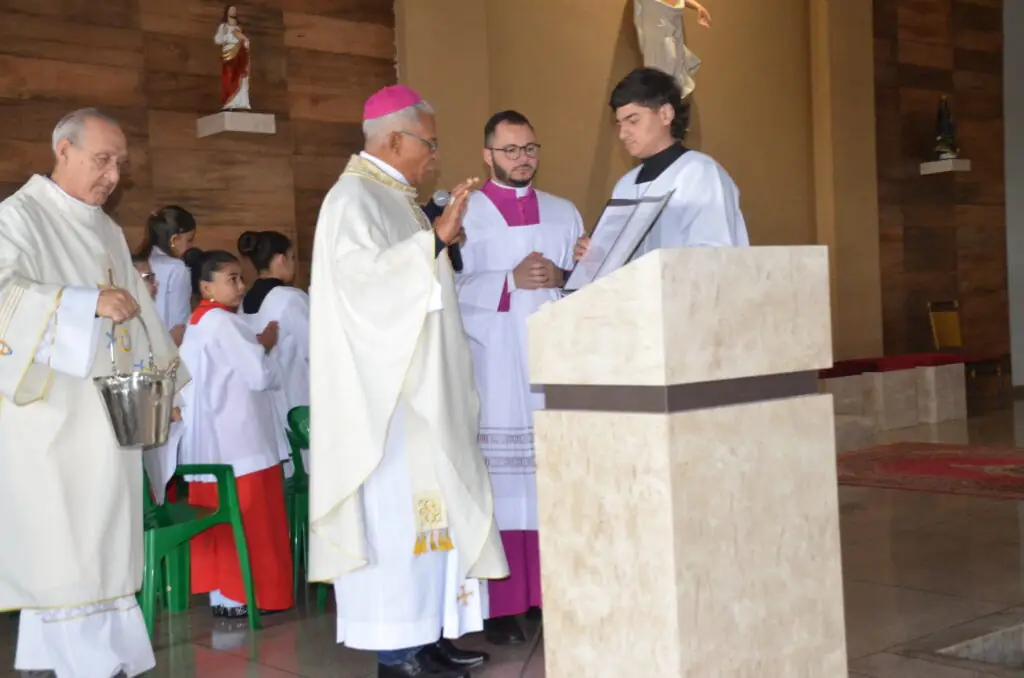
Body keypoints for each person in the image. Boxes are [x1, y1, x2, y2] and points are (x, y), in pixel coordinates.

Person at [308, 84, 509, 678]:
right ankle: (398, 649)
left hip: (423, 395)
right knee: (400, 524)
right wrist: (434, 241)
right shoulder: (352, 200)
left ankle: (429, 633)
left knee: (433, 521)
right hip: (389, 405)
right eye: (430, 143)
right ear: (394, 139)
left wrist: (439, 243)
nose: (435, 157)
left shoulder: (392, 196)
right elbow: (365, 290)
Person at [0, 107, 184, 677]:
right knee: (66, 550)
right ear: (63, 150)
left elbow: (138, 311)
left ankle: (101, 661)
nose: (113, 176)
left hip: (108, 418)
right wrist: (85, 303)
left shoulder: (103, 226)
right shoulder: (18, 217)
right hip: (53, 420)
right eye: (102, 160)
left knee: (105, 546)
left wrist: (162, 382)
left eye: (120, 165)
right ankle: (86, 665)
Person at [454, 110, 582, 646]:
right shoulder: (463, 216)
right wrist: (505, 280)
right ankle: (503, 604)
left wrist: (566, 275)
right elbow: (442, 288)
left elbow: (594, 281)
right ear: (487, 155)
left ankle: (556, 594)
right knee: (504, 487)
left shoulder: (563, 211)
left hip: (552, 367)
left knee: (550, 485)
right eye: (510, 150)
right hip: (495, 366)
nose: (522, 158)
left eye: (530, 148)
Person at [177, 248, 294, 619]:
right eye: (232, 279)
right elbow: (259, 376)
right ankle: (251, 594)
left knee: (222, 521)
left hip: (213, 440)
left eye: (241, 277)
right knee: (251, 519)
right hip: (242, 440)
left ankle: (225, 596)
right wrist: (268, 350)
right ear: (206, 285)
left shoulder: (198, 322)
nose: (241, 286)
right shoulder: (224, 323)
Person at [575, 66, 748, 263]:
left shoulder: (699, 173)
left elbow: (714, 256)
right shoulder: (625, 185)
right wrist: (595, 256)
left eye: (633, 121)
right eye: (619, 124)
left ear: (666, 114)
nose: (623, 134)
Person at [236, 230, 309, 471]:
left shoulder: (244, 301)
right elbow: (318, 349)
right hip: (297, 401)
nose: (293, 264)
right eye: (292, 257)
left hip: (265, 405)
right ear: (280, 259)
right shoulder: (290, 298)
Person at [136, 204, 197, 345]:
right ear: (174, 240)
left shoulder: (141, 261)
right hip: (167, 347)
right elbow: (179, 322)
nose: (191, 246)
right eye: (189, 240)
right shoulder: (177, 269)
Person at [215, 4, 251, 110]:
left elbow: (244, 40)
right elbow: (218, 40)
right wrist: (225, 34)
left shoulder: (238, 27)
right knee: (230, 77)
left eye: (234, 10)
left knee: (241, 75)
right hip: (229, 54)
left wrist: (245, 43)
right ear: (227, 12)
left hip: (240, 52)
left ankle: (241, 102)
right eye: (231, 10)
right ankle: (230, 101)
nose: (233, 12)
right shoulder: (224, 26)